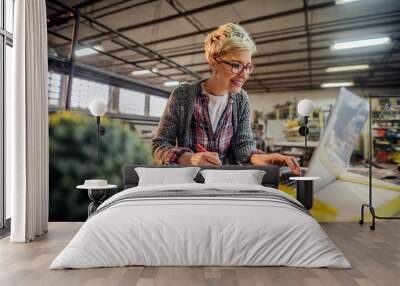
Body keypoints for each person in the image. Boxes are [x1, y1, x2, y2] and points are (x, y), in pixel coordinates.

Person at [152, 23, 300, 175]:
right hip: (190, 182)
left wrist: (260, 158)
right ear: (213, 60)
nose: (244, 75)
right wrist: (189, 158)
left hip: (227, 183)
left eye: (248, 66)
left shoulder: (241, 100)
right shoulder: (183, 95)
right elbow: (159, 145)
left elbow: (243, 146)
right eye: (236, 65)